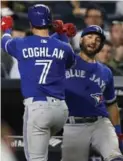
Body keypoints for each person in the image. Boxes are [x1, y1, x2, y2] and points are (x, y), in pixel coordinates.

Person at [1, 4, 76, 161]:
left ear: (30, 23)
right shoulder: (63, 47)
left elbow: (5, 43)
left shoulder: (21, 44)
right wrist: (62, 34)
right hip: (61, 112)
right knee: (44, 137)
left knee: (35, 159)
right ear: (49, 21)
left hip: (38, 109)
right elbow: (67, 60)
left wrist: (6, 29)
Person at [56, 25, 123, 161]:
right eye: (90, 37)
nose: (93, 41)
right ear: (81, 40)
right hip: (73, 124)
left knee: (115, 157)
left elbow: (111, 104)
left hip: (100, 123)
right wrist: (60, 34)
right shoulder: (67, 62)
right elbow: (51, 48)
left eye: (98, 39)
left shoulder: (106, 72)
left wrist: (118, 131)